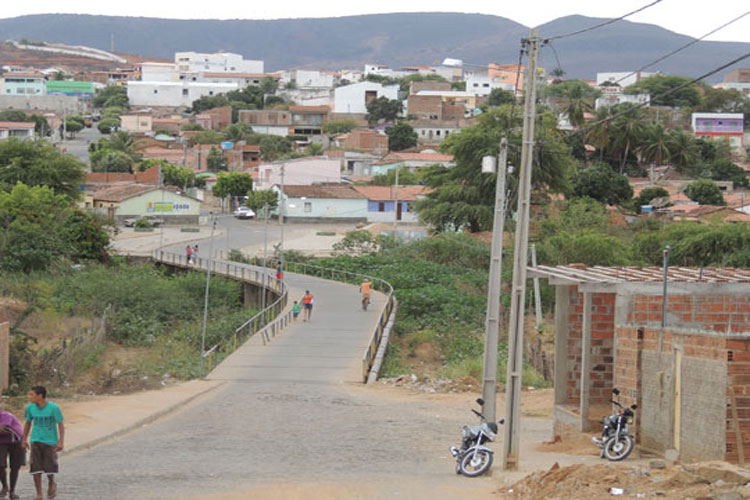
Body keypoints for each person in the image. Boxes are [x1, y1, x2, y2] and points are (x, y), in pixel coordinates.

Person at [23, 386, 64, 500]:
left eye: (32, 395)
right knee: (35, 467)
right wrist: (24, 439)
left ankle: (51, 483)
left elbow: (60, 424)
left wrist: (61, 442)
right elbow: (27, 423)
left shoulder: (53, 408)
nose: (29, 397)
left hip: (50, 440)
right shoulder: (30, 408)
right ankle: (39, 493)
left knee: (50, 466)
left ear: (40, 396)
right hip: (36, 439)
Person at [0, 407, 24, 499]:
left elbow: (1, 429)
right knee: (0, 465)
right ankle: (5, 486)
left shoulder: (5, 415)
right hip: (2, 441)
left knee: (15, 466)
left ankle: (12, 491)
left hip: (16, 441)